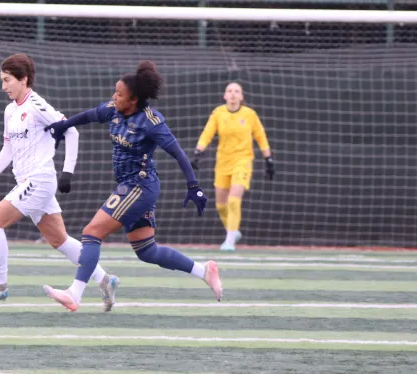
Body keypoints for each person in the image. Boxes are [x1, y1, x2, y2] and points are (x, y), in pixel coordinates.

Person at [42, 61, 222, 311]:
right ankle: (205, 271)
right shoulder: (113, 110)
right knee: (147, 251)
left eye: (119, 94)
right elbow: (89, 115)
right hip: (132, 186)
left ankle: (75, 294)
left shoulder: (151, 122)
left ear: (134, 99)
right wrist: (64, 125)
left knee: (92, 233)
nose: (114, 97)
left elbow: (178, 153)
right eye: (115, 92)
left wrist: (194, 186)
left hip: (139, 185)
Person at [0, 53, 121, 312]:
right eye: (2, 80)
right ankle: (105, 280)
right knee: (59, 240)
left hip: (39, 180)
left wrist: (67, 172)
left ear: (23, 79)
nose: (3, 86)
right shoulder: (10, 110)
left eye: (7, 80)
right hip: (28, 181)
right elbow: (8, 147)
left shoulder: (37, 105)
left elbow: (71, 130)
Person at [191, 82, 273, 251]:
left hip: (243, 162)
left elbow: (261, 136)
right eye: (230, 91)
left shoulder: (249, 114)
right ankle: (233, 231)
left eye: (237, 91)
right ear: (225, 96)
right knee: (221, 205)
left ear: (241, 96)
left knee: (233, 200)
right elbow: (207, 133)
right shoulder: (218, 113)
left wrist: (268, 159)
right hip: (223, 163)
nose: (233, 94)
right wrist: (198, 152)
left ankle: (229, 240)